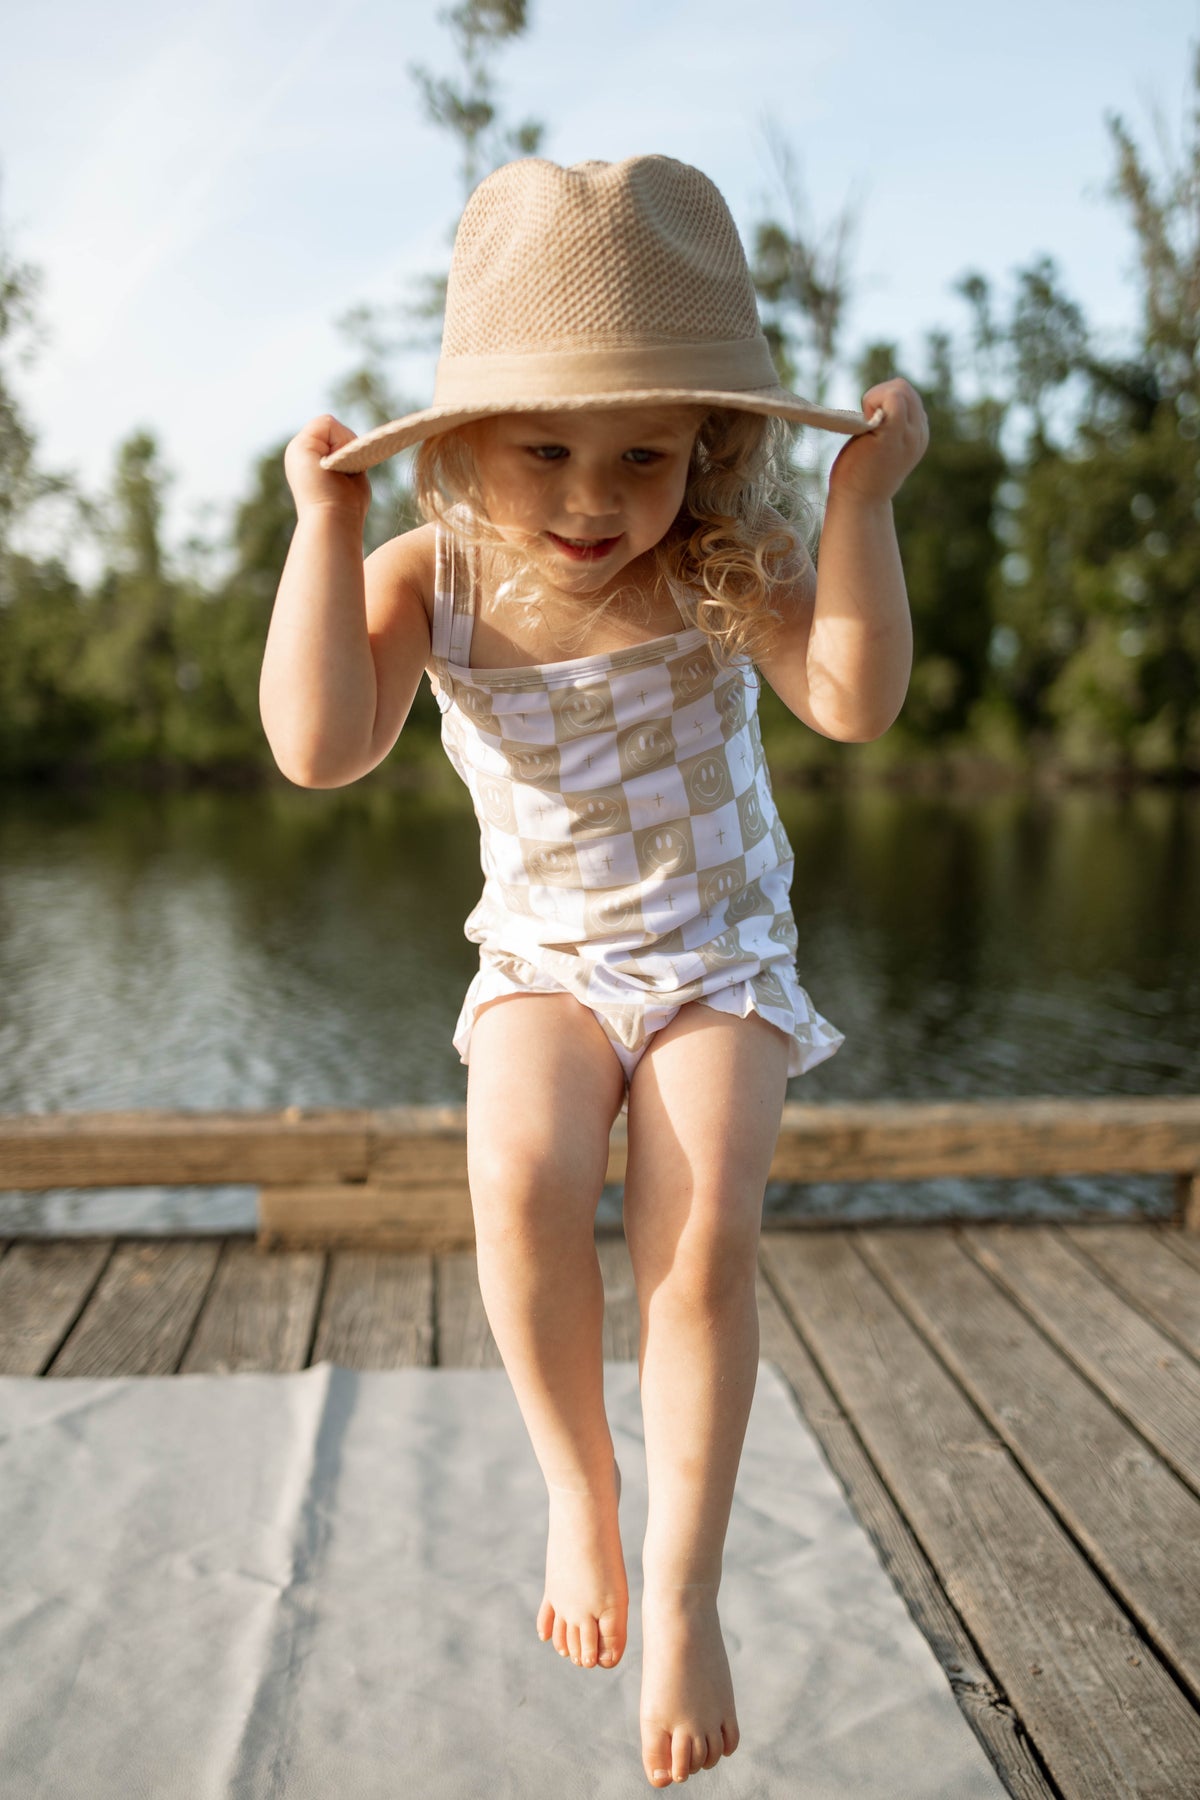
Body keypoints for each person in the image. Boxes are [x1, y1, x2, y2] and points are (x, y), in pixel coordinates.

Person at [261, 154, 928, 1789]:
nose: (592, 493)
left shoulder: (722, 563)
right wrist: (327, 527)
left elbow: (850, 699)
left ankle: (689, 1594)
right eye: (545, 447)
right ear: (467, 443)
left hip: (713, 955)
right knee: (522, 1177)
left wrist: (861, 509)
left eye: (644, 454)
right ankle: (581, 1495)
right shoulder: (437, 579)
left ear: (709, 446)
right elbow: (314, 745)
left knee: (698, 1244)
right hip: (550, 958)